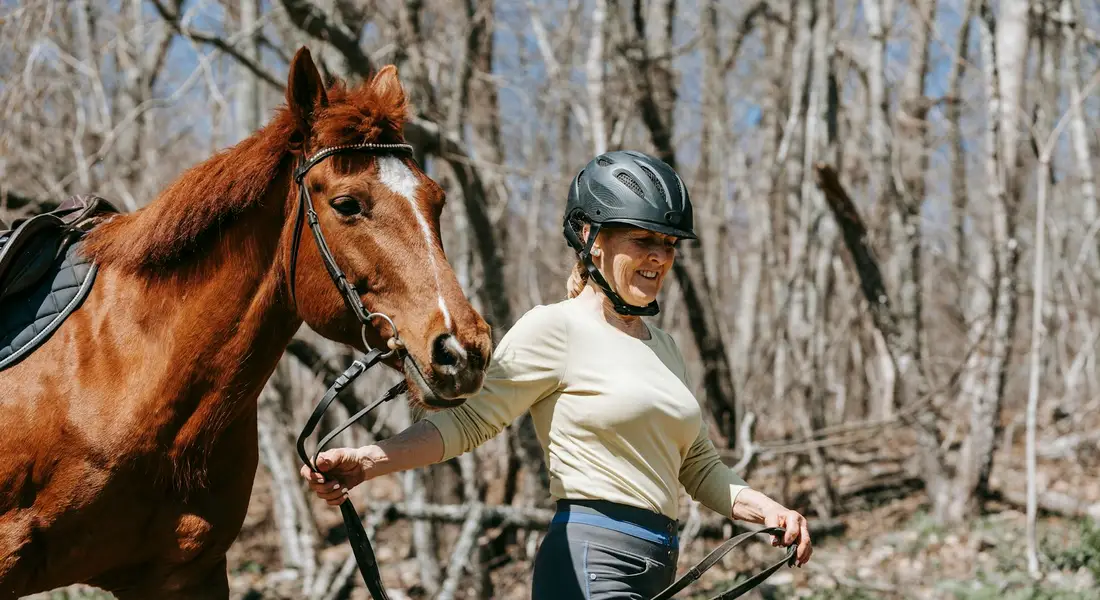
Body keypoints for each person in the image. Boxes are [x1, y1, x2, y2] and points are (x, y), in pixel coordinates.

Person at [300, 150, 813, 599]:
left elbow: (697, 465)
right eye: (642, 240)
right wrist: (368, 461)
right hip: (593, 561)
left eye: (669, 244)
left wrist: (769, 511)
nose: (659, 256)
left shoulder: (664, 348)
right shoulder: (555, 328)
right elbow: (470, 423)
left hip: (659, 565)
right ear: (590, 237)